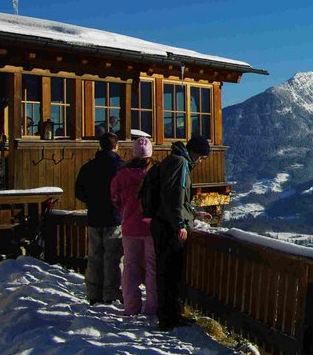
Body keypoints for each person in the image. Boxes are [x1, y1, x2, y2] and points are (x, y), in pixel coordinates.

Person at [151, 135, 212, 332]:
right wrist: (180, 224)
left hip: (162, 224)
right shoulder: (180, 164)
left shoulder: (173, 160)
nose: (201, 161)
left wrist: (193, 213)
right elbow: (174, 197)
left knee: (166, 271)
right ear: (195, 153)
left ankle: (171, 315)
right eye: (202, 157)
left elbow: (177, 200)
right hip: (169, 228)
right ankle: (169, 318)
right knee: (170, 271)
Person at [75, 132, 125, 305]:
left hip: (94, 216)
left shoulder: (88, 167)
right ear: (115, 146)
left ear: (100, 146)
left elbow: (79, 192)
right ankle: (111, 293)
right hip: (114, 217)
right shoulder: (121, 167)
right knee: (113, 257)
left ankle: (94, 292)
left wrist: (92, 200)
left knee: (95, 256)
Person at [111, 137, 157, 317]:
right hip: (151, 227)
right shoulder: (154, 173)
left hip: (130, 226)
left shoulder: (122, 175)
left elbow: (114, 198)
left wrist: (125, 210)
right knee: (152, 268)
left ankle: (131, 307)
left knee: (130, 267)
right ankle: (153, 308)